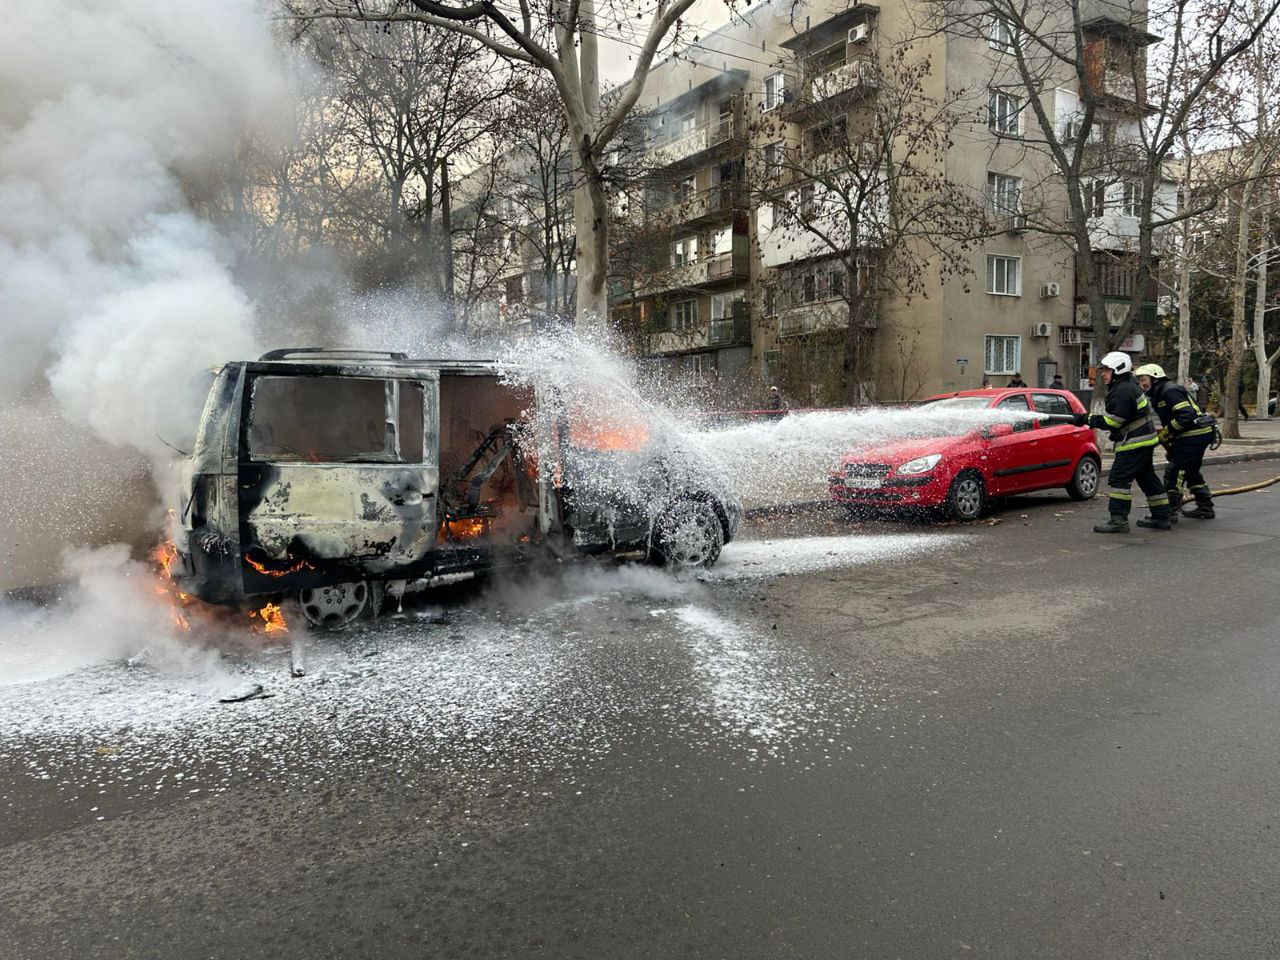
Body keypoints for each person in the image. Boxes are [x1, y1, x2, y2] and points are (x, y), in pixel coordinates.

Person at [1088, 351, 1172, 533]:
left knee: (1119, 478)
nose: (1102, 374)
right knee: (1147, 477)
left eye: (1107, 370)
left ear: (1118, 369)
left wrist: (1089, 420)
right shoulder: (1127, 386)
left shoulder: (1123, 390)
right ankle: (1162, 517)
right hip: (1143, 439)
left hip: (1135, 441)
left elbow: (1114, 421)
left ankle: (1118, 520)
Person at [1135, 363, 1216, 520]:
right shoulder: (1159, 393)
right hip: (1194, 434)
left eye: (1143, 379)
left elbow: (1186, 416)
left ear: (1155, 378)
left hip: (1195, 434)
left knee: (1175, 470)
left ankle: (1169, 510)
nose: (1141, 384)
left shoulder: (1169, 390)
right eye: (1139, 381)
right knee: (1191, 470)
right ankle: (1205, 507)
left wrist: (1166, 433)